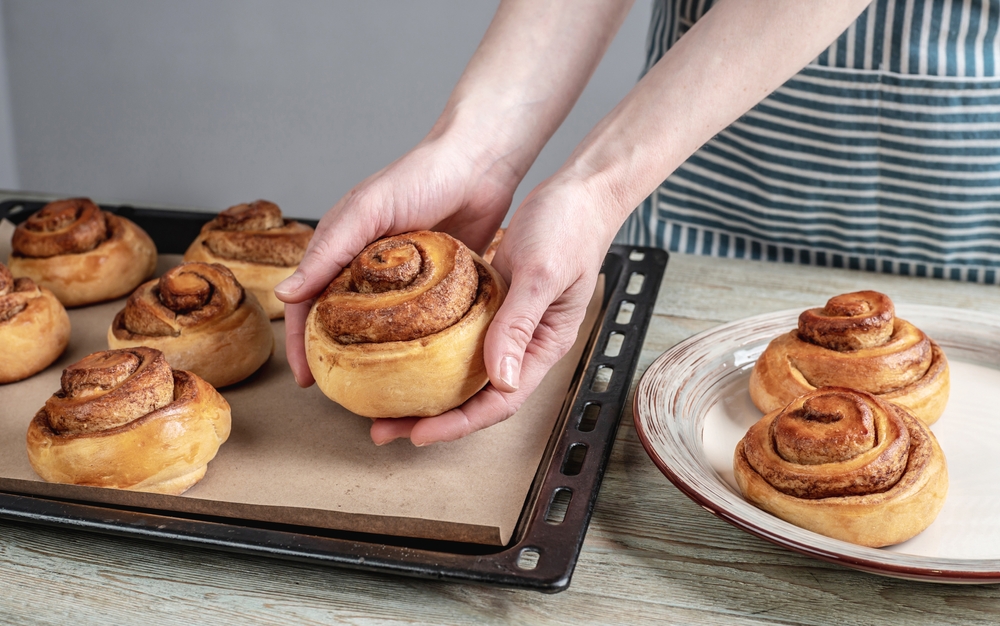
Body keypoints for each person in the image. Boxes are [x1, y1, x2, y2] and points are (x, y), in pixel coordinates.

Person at [276, 0, 995, 446]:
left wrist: (594, 189)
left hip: (950, 170)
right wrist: (477, 151)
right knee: (671, 413)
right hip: (691, 151)